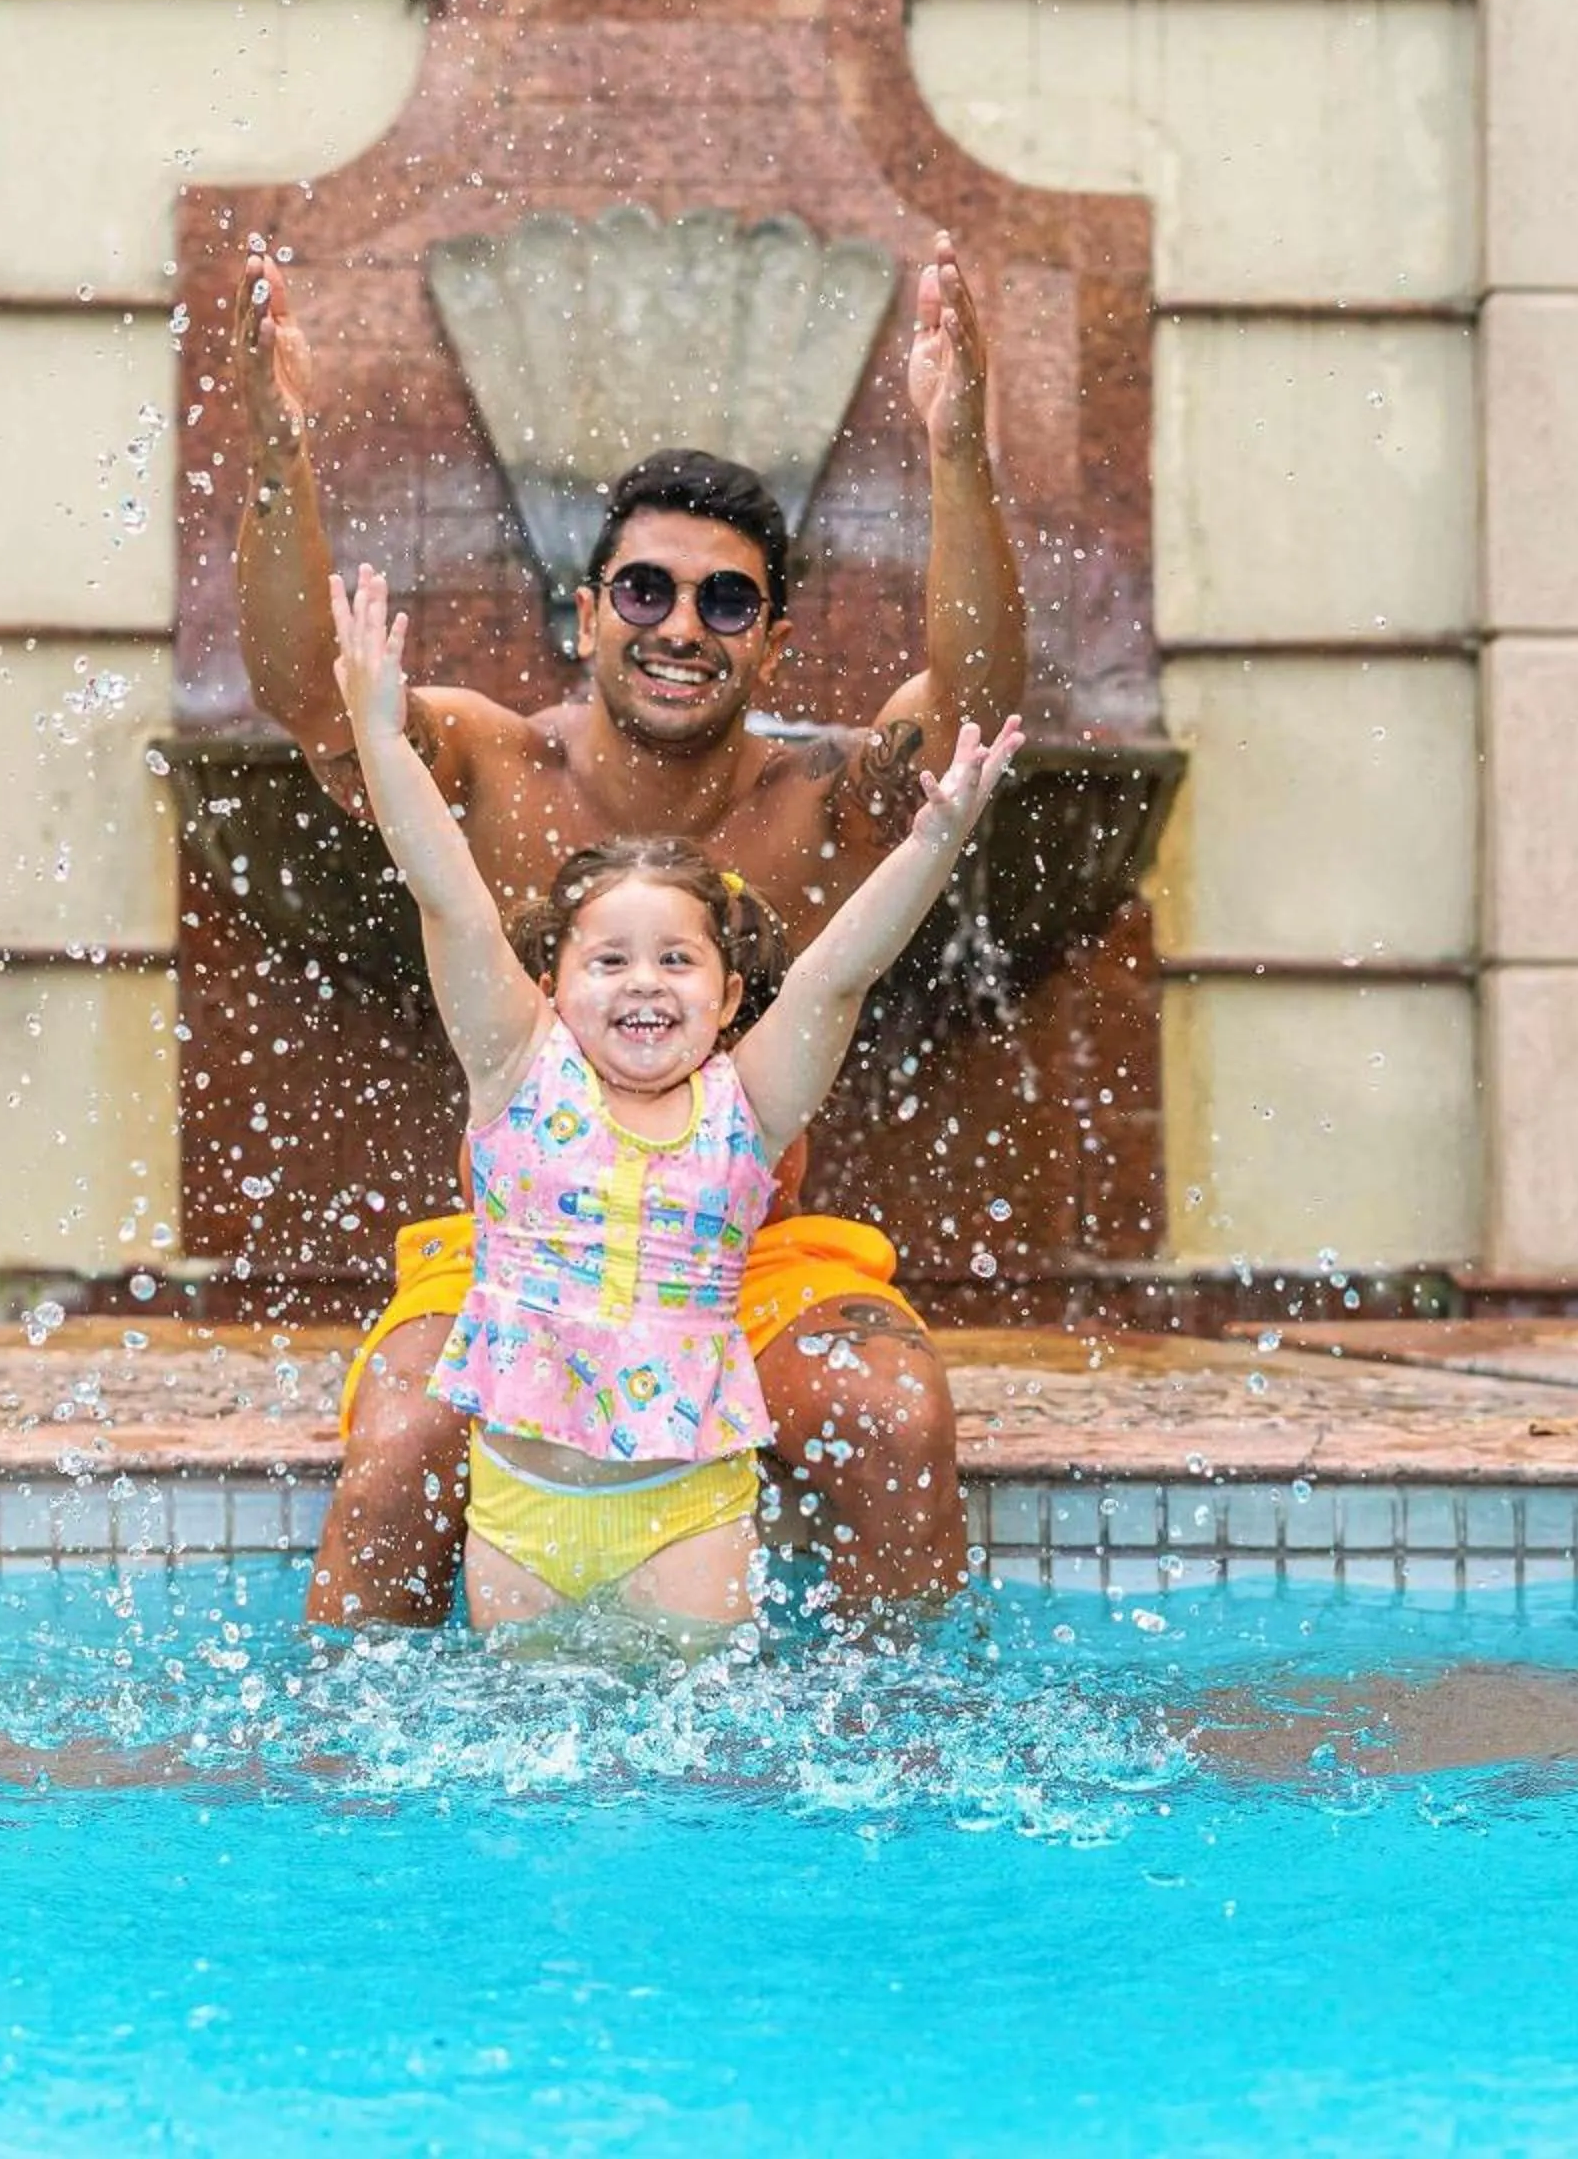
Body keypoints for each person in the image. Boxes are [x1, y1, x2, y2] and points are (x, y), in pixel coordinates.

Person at [232, 230, 1031, 1627]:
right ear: (589, 611)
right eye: (646, 589)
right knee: (405, 1446)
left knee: (895, 1422)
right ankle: (351, 1788)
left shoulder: (826, 801)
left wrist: (957, 447)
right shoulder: (489, 766)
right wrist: (274, 448)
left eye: (728, 600)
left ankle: (896, 1771)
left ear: (773, 642)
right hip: (520, 1256)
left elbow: (969, 709)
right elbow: (314, 699)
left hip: (747, 1261)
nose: (682, 625)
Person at [326, 562, 1022, 1628]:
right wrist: (380, 738)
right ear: (550, 986)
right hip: (524, 1510)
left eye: (675, 962)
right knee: (523, 1759)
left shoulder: (747, 1110)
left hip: (686, 1511)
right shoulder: (518, 1069)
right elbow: (451, 898)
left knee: (695, 1764)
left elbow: (839, 972)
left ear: (730, 993)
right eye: (607, 962)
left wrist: (934, 844)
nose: (643, 981)